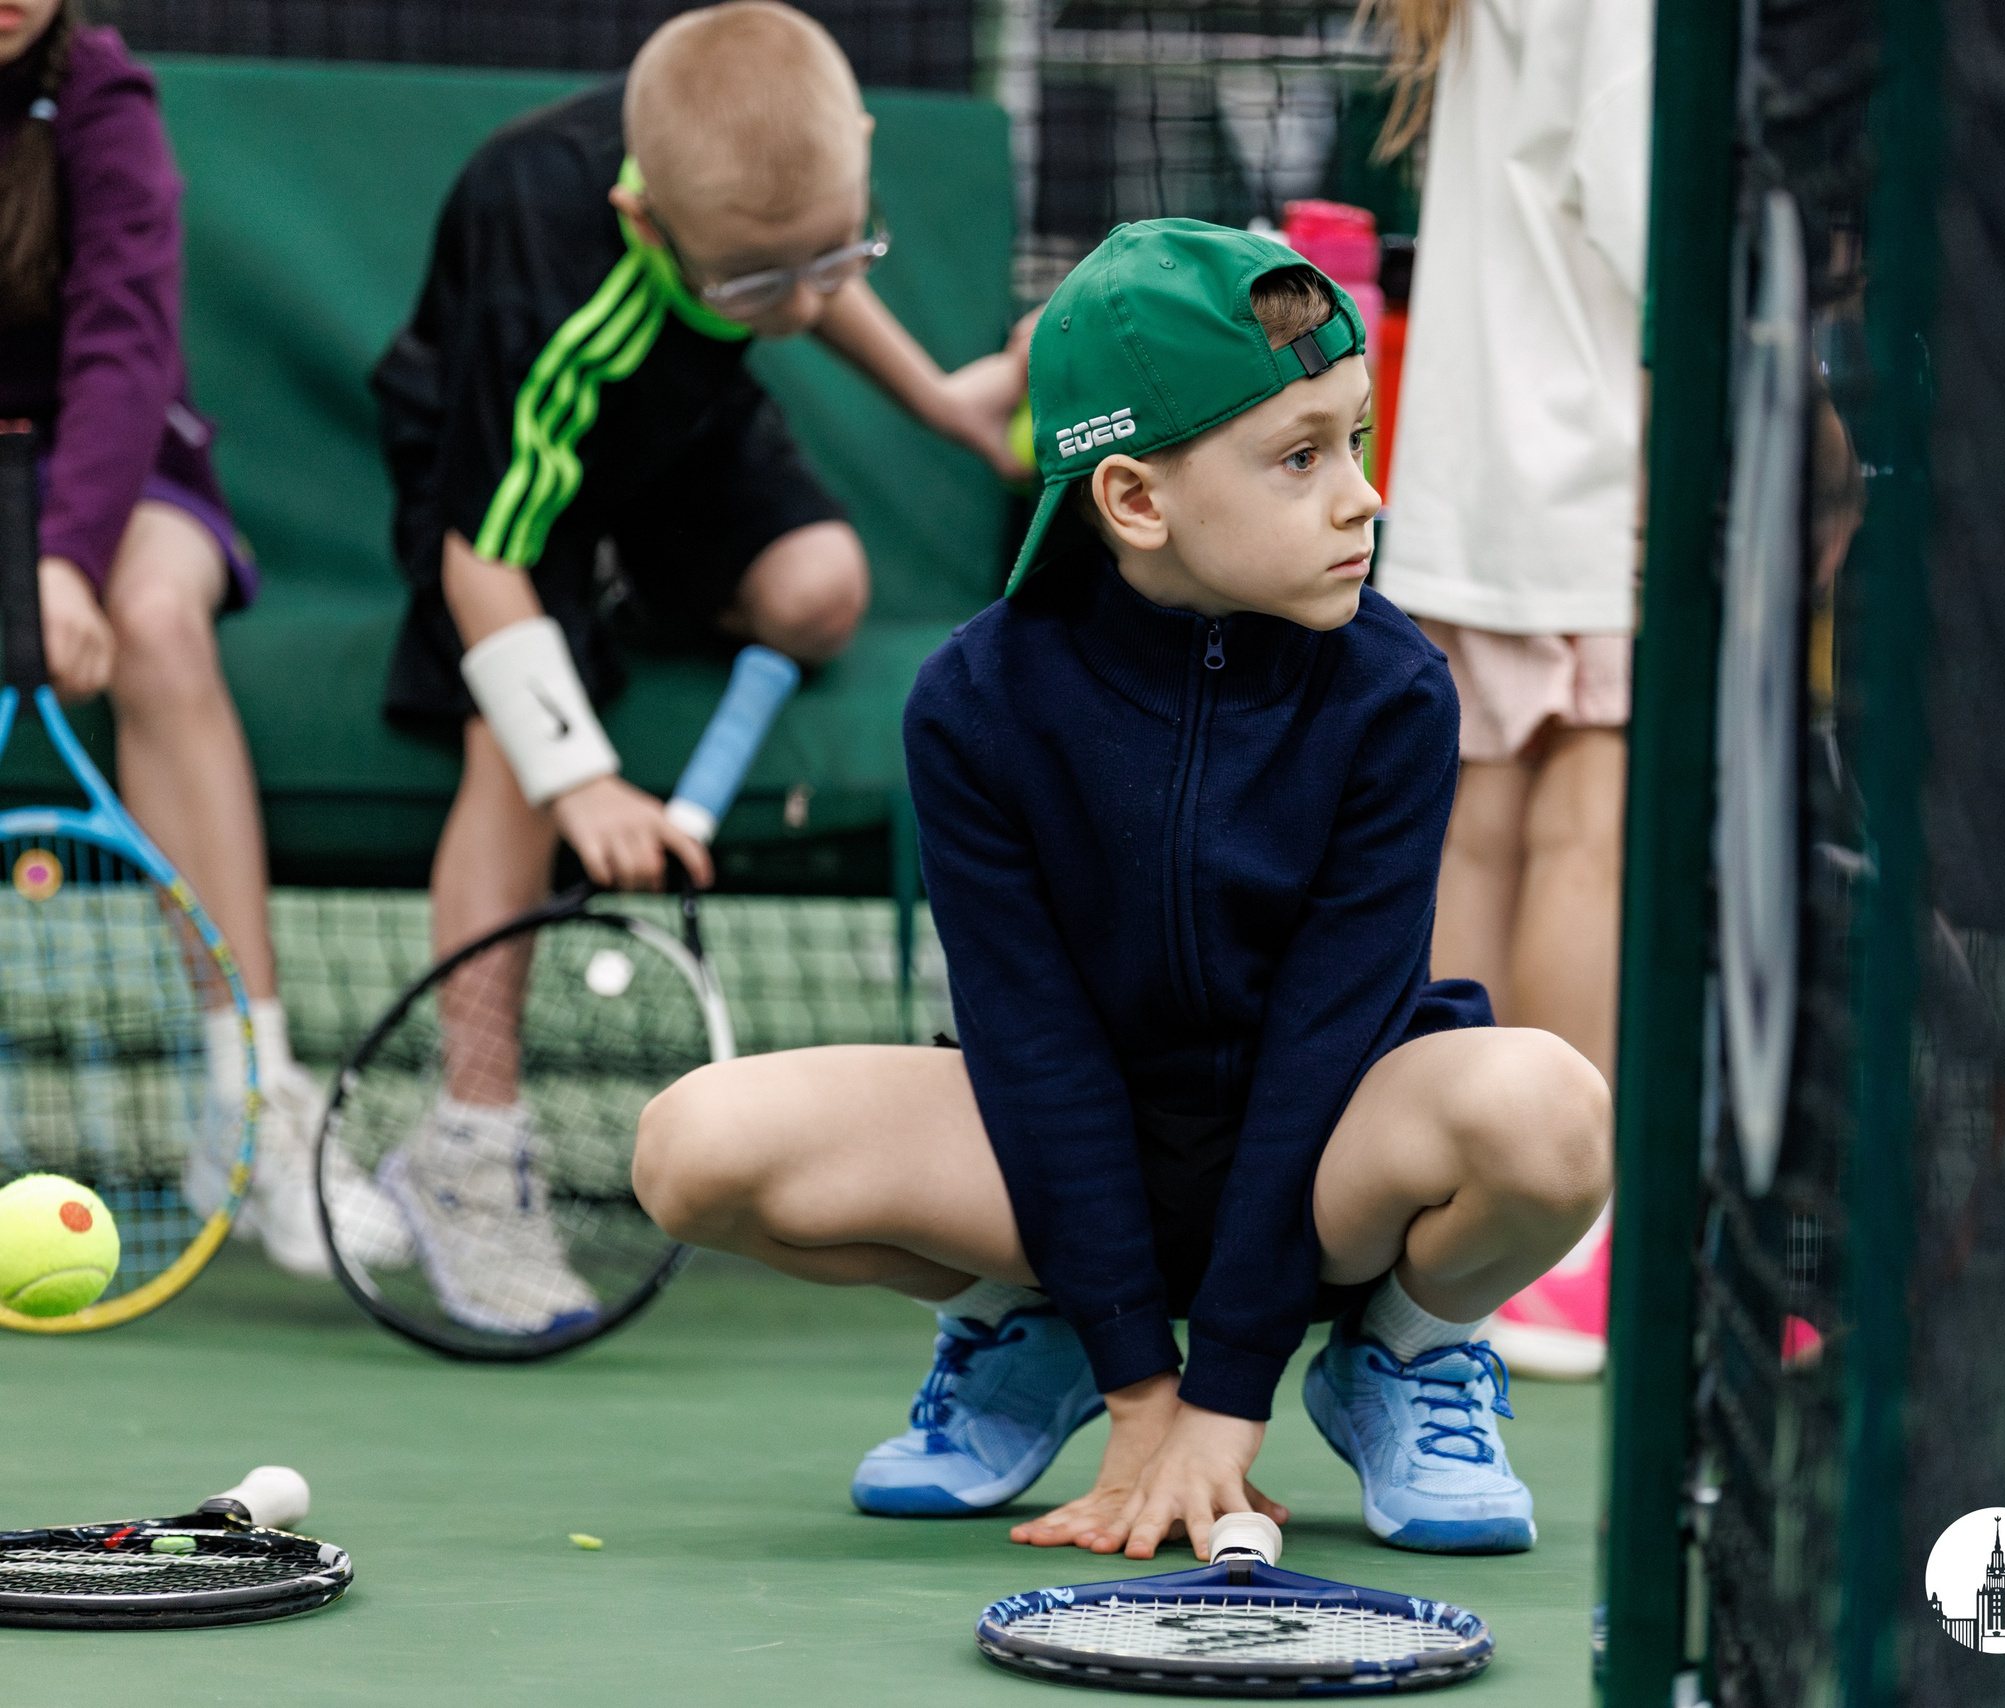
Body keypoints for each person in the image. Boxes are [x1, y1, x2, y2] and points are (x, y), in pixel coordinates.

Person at [632, 220, 1613, 1560]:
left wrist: (1226, 1399)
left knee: (1551, 1113)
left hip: (1327, 1159)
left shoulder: (1396, 692)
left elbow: (1330, 1042)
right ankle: (1024, 1318)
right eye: (1300, 458)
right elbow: (1033, 1050)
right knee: (693, 1151)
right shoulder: (973, 707)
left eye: (1358, 442)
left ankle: (1404, 1356)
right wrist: (1140, 1392)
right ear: (1137, 503)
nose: (1361, 498)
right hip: (1073, 1162)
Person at [368, 2, 1028, 1332]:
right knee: (512, 742)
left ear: (859, 146)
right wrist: (586, 780)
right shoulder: (547, 262)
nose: (794, 308)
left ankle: (627, 607)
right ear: (643, 221)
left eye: (828, 260)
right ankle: (467, 1151)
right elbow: (480, 563)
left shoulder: (761, 179)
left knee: (820, 586)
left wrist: (947, 403)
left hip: (678, 425)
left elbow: (803, 271)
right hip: (504, 476)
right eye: (753, 286)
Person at [0, 0, 348, 1274]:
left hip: (116, 475)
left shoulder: (103, 101)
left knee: (153, 624)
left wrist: (62, 560)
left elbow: (125, 348)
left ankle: (252, 1104)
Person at [1360, 0, 1652, 1382]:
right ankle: (1558, 1244)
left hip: (1474, 478)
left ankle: (1440, 1224)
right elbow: (1649, 208)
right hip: (1596, 466)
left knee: (1478, 829)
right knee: (1584, 835)